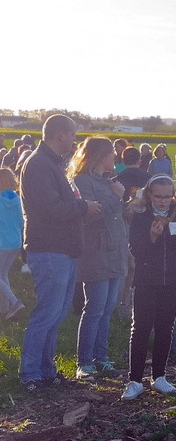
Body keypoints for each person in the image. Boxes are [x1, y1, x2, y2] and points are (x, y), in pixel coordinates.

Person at [18, 115, 102, 391]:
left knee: (57, 313)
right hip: (49, 249)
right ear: (60, 135)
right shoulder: (39, 165)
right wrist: (83, 207)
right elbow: (50, 210)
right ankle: (30, 374)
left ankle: (46, 370)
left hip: (62, 249)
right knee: (47, 313)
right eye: (73, 134)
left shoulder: (51, 164)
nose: (75, 140)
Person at [122, 175, 176, 400]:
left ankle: (159, 377)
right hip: (147, 279)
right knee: (141, 329)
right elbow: (136, 250)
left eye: (167, 196)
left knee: (166, 327)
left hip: (174, 280)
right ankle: (135, 380)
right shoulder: (140, 217)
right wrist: (152, 237)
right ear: (149, 195)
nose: (163, 201)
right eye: (158, 197)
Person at [68, 138, 129, 380]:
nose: (115, 157)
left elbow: (113, 211)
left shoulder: (107, 181)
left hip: (116, 252)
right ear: (99, 156)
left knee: (107, 309)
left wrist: (128, 203)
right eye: (112, 154)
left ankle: (101, 358)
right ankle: (84, 362)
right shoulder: (82, 181)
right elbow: (92, 214)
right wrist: (116, 197)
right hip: (96, 252)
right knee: (93, 308)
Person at [0, 168, 24, 320]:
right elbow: (21, 221)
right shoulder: (17, 199)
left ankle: (14, 302)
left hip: (2, 242)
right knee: (3, 274)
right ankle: (5, 308)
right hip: (15, 242)